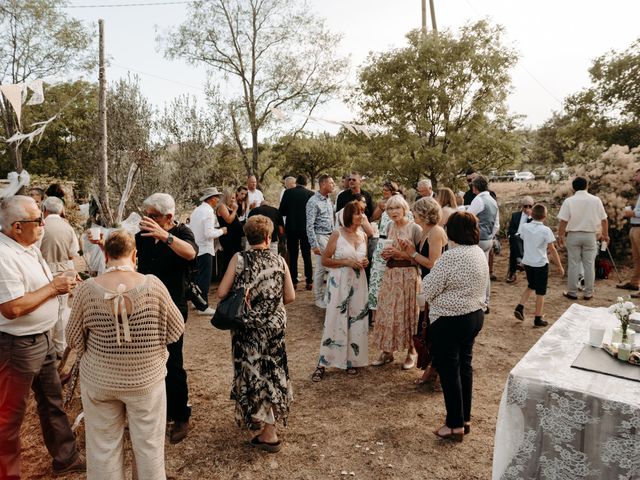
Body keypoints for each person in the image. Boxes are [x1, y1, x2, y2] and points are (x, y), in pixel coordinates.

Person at [66, 230, 184, 480]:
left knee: (102, 446)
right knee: (149, 446)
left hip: (100, 380)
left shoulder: (87, 289)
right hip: (146, 379)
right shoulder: (153, 285)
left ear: (105, 254)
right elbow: (176, 330)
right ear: (135, 254)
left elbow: (73, 339)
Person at [0, 195, 85, 478]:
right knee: (9, 416)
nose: (43, 224)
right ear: (16, 227)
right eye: (37, 221)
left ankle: (66, 458)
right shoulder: (3, 256)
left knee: (52, 402)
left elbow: (39, 288)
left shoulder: (29, 246)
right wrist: (53, 288)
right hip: (16, 346)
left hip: (41, 339)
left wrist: (64, 286)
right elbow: (12, 308)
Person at [217, 215, 295, 453]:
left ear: (247, 238)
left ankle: (267, 428)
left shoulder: (239, 259)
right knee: (272, 371)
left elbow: (221, 292)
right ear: (269, 237)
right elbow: (290, 297)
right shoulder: (279, 261)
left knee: (252, 373)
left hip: (247, 329)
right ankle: (267, 424)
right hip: (274, 328)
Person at [136, 193, 197, 444]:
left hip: (173, 306)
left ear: (168, 217)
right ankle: (155, 410)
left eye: (152, 216)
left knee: (173, 362)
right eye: (146, 214)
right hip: (144, 305)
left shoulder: (182, 233)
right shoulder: (142, 236)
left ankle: (180, 415)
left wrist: (165, 237)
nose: (146, 220)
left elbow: (191, 253)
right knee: (148, 360)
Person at [422, 211, 488, 442]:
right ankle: (464, 419)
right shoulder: (479, 252)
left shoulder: (451, 256)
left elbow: (427, 290)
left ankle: (454, 425)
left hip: (450, 319)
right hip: (474, 315)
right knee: (464, 368)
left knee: (450, 372)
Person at [312, 201, 370, 382]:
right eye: (357, 213)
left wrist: (365, 262)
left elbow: (362, 257)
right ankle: (323, 362)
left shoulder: (363, 235)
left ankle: (351, 360)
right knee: (334, 320)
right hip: (339, 282)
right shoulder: (337, 234)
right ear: (348, 216)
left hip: (359, 282)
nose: (361, 216)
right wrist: (346, 262)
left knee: (356, 319)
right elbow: (325, 261)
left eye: (362, 212)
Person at [372, 195, 422, 369]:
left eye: (397, 208)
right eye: (390, 209)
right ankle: (387, 351)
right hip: (391, 274)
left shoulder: (415, 228)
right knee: (388, 312)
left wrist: (400, 254)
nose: (393, 212)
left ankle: (411, 351)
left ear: (404, 209)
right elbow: (387, 250)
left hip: (408, 275)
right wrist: (386, 254)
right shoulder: (388, 226)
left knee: (409, 313)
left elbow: (419, 259)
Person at [401, 197, 447, 384]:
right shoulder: (424, 231)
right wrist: (406, 252)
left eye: (415, 211)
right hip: (426, 282)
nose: (413, 214)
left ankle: (434, 372)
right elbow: (420, 259)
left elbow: (433, 263)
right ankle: (432, 369)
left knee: (434, 328)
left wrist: (412, 252)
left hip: (436, 285)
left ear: (425, 213)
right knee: (427, 327)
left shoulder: (436, 231)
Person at [557, 177, 609, 300]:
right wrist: (605, 235)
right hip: (590, 235)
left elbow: (563, 221)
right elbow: (604, 220)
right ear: (587, 186)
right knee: (589, 264)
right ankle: (588, 292)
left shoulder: (569, 201)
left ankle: (572, 292)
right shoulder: (595, 200)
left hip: (573, 235)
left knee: (573, 264)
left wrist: (560, 236)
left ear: (573, 188)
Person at [40, 196, 79, 357]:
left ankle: (44, 347)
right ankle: (59, 347)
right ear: (61, 210)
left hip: (42, 270)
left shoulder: (40, 226)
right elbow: (73, 253)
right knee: (61, 310)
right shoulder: (68, 228)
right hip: (63, 271)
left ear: (44, 210)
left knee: (42, 307)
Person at [514, 204, 564, 327]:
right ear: (545, 216)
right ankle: (538, 317)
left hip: (528, 262)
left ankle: (520, 306)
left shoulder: (525, 227)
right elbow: (552, 249)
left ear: (532, 214)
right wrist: (559, 265)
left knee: (531, 285)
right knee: (540, 292)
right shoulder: (546, 230)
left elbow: (523, 238)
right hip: (540, 263)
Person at [189, 187, 227, 315]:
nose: (217, 200)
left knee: (198, 277)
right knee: (204, 278)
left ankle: (196, 301)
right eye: (216, 197)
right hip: (205, 248)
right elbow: (208, 233)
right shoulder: (208, 212)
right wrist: (222, 231)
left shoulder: (197, 210)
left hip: (196, 248)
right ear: (211, 199)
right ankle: (203, 306)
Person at [467, 175, 499, 313]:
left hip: (478, 240)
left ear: (475, 187)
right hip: (488, 240)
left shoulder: (479, 199)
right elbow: (496, 224)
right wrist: (491, 236)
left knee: (472, 271)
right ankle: (485, 301)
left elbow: (467, 217)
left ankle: (474, 301)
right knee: (484, 271)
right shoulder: (492, 200)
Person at [279, 175, 314, 290]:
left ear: (296, 182)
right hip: (305, 228)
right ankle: (309, 281)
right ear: (306, 183)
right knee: (306, 254)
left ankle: (293, 281)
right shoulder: (310, 194)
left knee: (293, 255)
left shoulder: (288, 193)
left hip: (292, 227)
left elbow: (282, 211)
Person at [306, 174, 336, 308]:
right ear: (323, 184)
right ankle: (319, 298)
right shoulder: (313, 201)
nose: (333, 185)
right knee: (323, 268)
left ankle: (325, 296)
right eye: (331, 183)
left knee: (322, 268)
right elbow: (309, 225)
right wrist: (314, 244)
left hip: (330, 236)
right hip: (320, 236)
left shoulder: (329, 200)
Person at [618, 168, 640, 295]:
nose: (635, 177)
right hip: (635, 227)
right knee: (637, 258)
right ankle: (634, 283)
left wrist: (633, 213)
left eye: (637, 174)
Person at [506, 197, 534, 283]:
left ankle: (513, 270)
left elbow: (533, 229)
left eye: (530, 206)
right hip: (516, 237)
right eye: (526, 206)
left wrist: (529, 217)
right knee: (515, 239)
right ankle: (519, 260)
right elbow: (510, 229)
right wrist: (511, 235)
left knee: (514, 250)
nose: (527, 208)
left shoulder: (534, 217)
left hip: (528, 239)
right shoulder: (515, 215)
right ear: (522, 206)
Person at [217, 189, 244, 274]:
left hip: (235, 236)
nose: (234, 200)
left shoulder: (229, 206)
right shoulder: (222, 206)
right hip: (228, 237)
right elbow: (229, 220)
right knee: (229, 257)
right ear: (226, 198)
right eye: (232, 198)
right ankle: (226, 277)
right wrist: (235, 210)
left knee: (237, 256)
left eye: (234, 198)